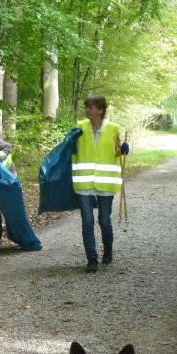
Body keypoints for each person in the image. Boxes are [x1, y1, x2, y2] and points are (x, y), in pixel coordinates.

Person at [72, 94, 122, 273]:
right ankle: (91, 259)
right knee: (87, 221)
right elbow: (70, 150)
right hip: (84, 182)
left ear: (100, 110)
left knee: (104, 221)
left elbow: (118, 154)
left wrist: (123, 150)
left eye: (91, 107)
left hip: (106, 182)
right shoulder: (79, 128)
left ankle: (107, 252)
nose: (87, 110)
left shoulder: (113, 129)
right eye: (86, 107)